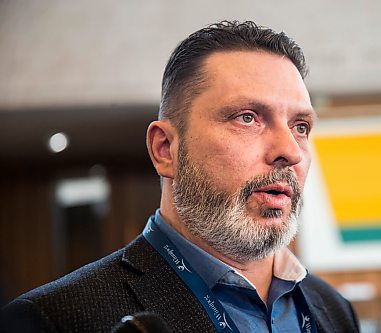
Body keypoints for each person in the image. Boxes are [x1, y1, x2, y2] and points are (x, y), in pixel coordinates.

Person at [0, 20, 359, 332]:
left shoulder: (333, 310)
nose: (291, 151)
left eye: (300, 126)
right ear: (165, 149)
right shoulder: (54, 319)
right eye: (247, 117)